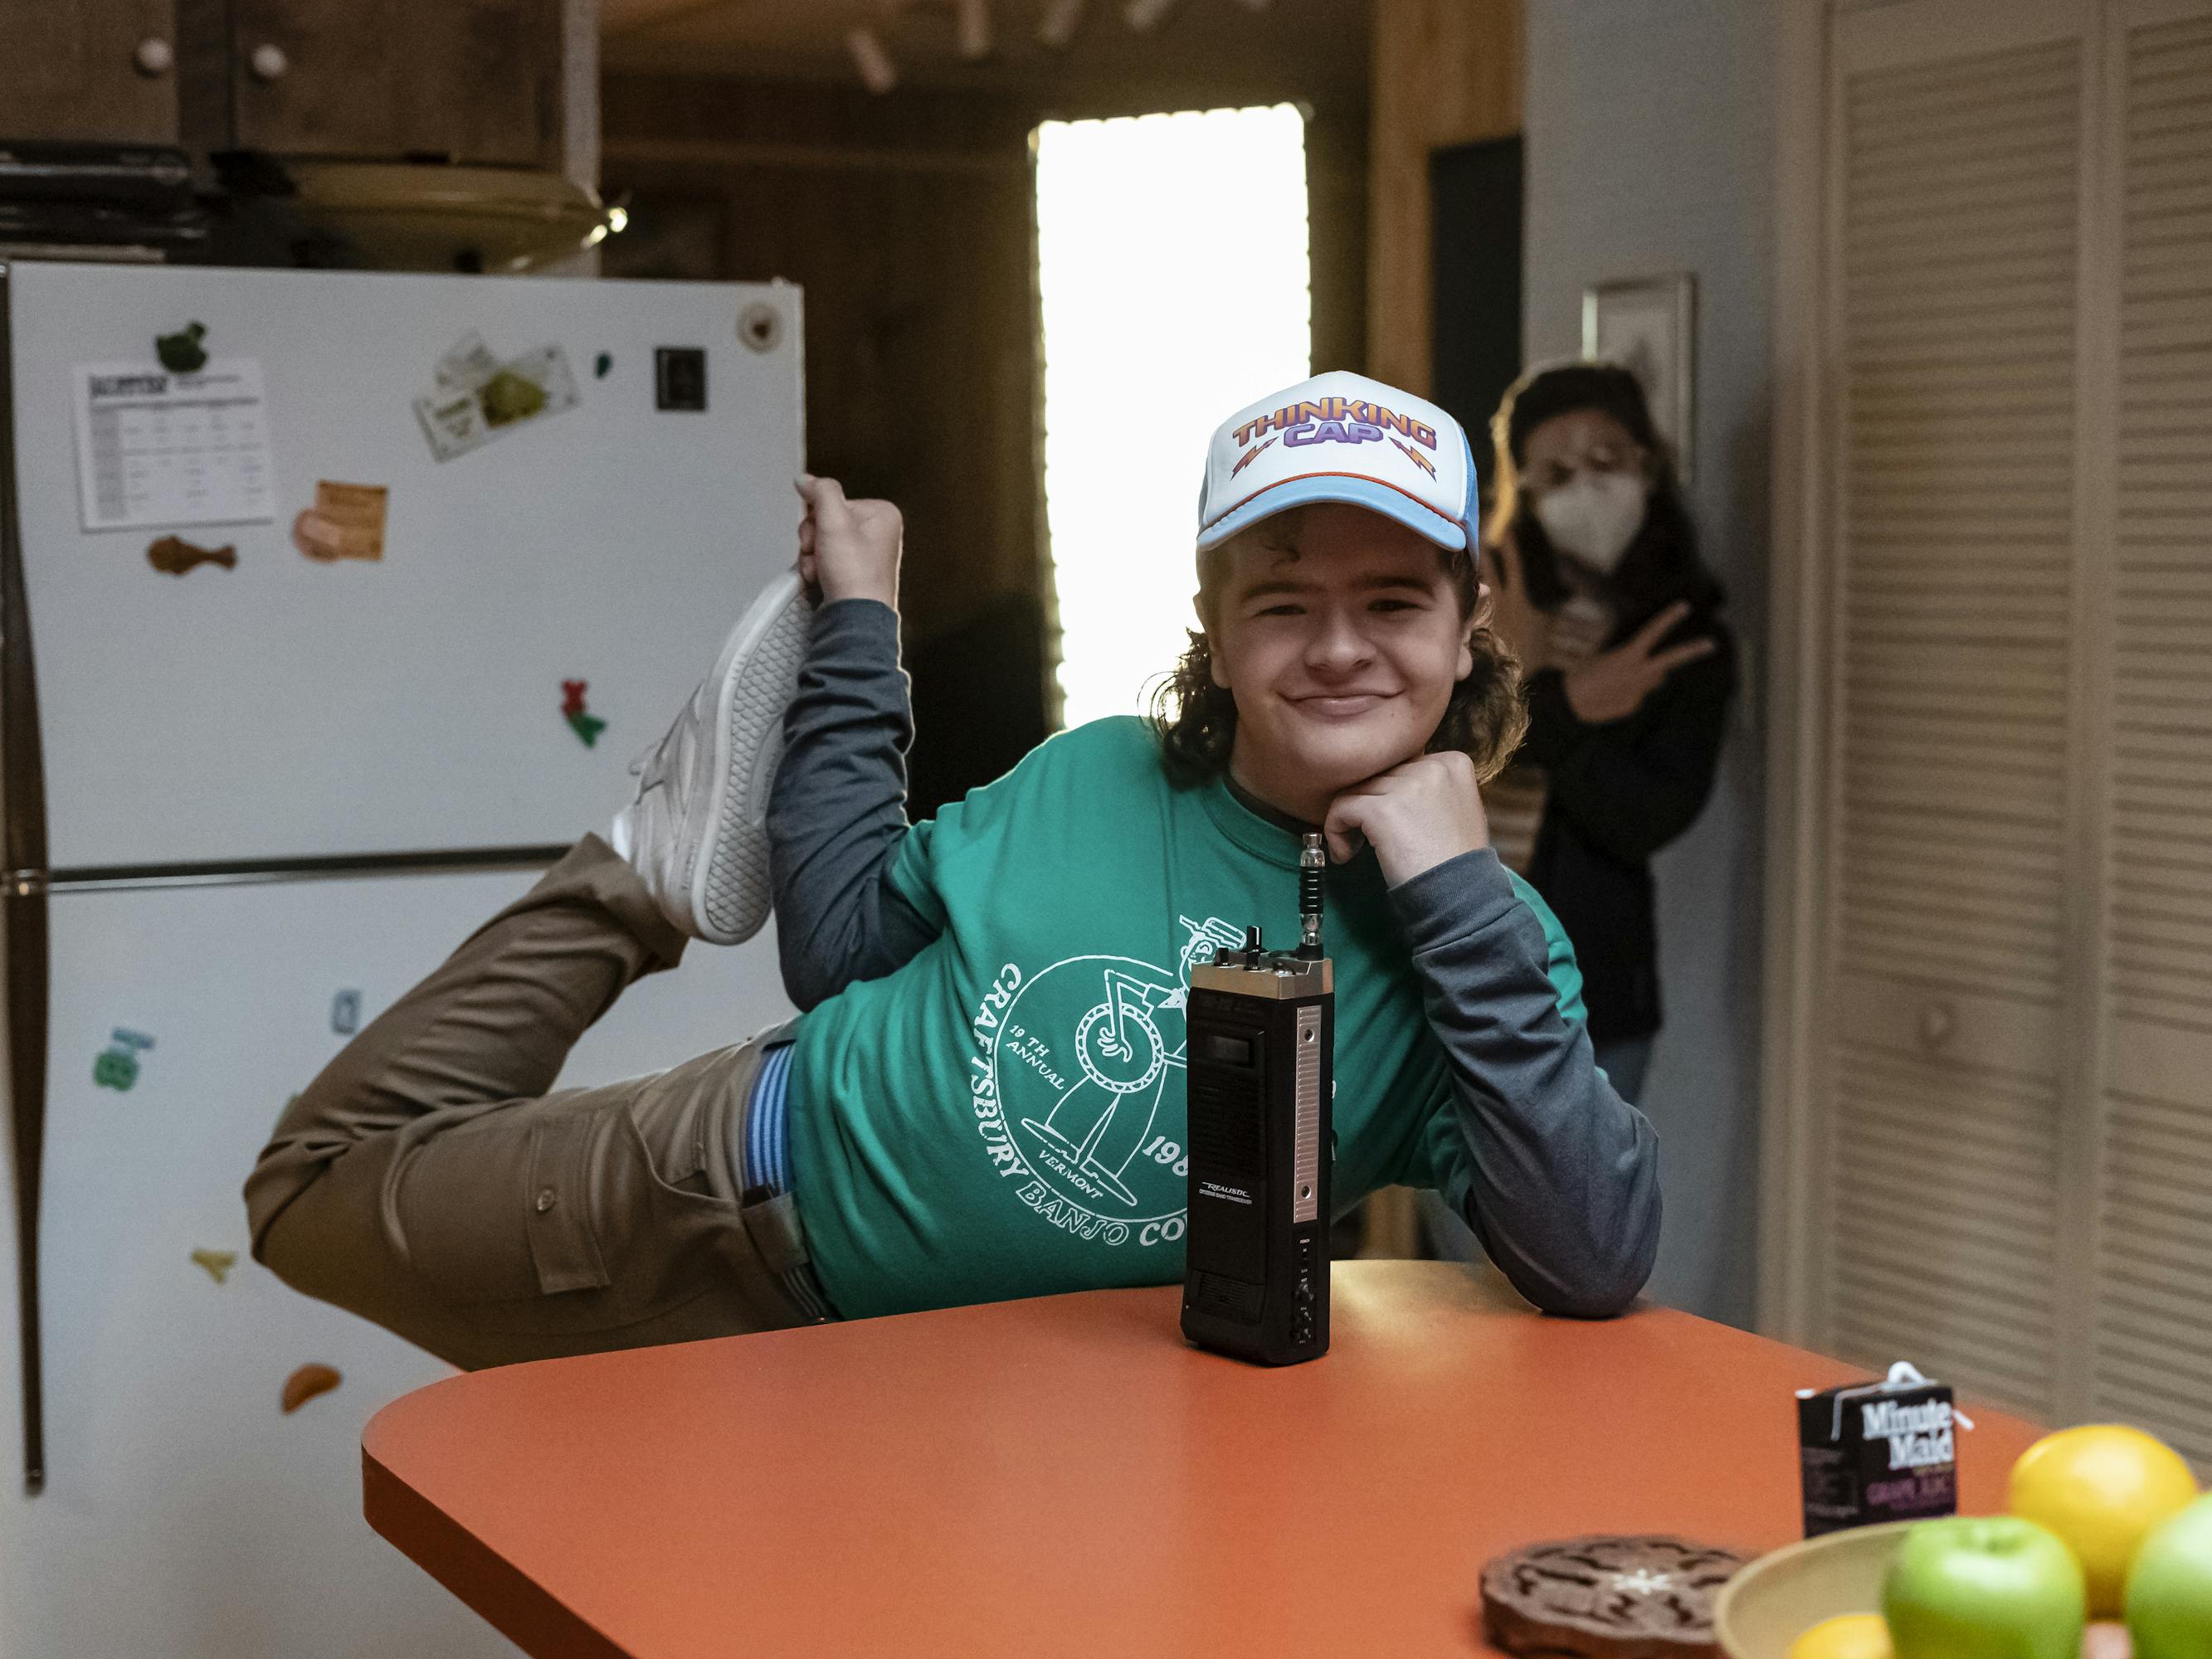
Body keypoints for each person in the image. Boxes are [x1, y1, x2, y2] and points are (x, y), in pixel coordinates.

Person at [242, 370, 1661, 1370]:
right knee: (309, 1198)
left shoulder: (1489, 944)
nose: (1338, 647)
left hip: (925, 1382)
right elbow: (844, 949)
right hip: (713, 1184)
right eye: (1283, 603)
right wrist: (860, 626)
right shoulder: (1104, 771)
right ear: (1216, 631)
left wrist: (1456, 895)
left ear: (1474, 621)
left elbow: (1592, 1259)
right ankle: (636, 880)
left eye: (1394, 603)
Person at [1475, 362, 1735, 1106]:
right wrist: (1537, 686)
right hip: (1456, 962)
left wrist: (1548, 708)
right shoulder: (1487, 600)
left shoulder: (1683, 634)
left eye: (1605, 461)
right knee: (1457, 1210)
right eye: (1555, 473)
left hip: (1596, 991)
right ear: (1521, 489)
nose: (1586, 488)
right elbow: (1431, 760)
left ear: (1648, 467)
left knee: (1581, 1211)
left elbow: (1646, 818)